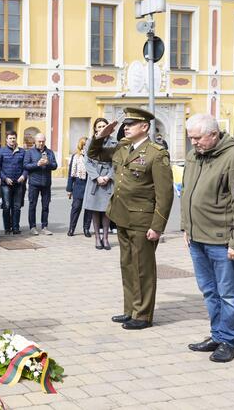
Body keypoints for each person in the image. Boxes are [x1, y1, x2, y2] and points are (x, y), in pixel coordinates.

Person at [88, 107, 173, 330]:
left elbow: (165, 194)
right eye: (125, 124)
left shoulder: (157, 153)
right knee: (127, 265)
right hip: (121, 215)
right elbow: (94, 154)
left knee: (142, 268)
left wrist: (158, 226)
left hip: (143, 221)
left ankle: (143, 315)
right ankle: (131, 309)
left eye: (131, 124)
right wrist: (101, 136)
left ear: (144, 127)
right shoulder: (124, 147)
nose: (126, 127)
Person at [182, 114, 234, 363]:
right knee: (209, 292)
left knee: (229, 294)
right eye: (190, 137)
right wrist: (186, 228)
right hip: (197, 238)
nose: (193, 143)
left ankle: (229, 341)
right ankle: (217, 334)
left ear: (214, 134)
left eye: (197, 137)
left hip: (224, 242)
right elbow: (187, 194)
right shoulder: (195, 156)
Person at [84, 118, 117, 249]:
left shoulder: (115, 142)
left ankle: (106, 238)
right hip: (95, 180)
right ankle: (97, 237)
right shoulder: (90, 142)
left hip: (108, 179)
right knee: (95, 210)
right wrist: (97, 177)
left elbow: (117, 162)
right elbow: (87, 161)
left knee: (107, 210)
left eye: (104, 126)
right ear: (95, 129)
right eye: (99, 126)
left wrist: (108, 176)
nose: (102, 128)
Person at [24, 133, 58, 235]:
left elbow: (55, 165)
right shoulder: (30, 152)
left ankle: (44, 226)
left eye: (43, 141)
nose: (41, 143)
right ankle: (32, 227)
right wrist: (37, 164)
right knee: (32, 205)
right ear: (35, 141)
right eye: (39, 141)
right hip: (34, 183)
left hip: (46, 183)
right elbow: (26, 165)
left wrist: (48, 163)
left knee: (45, 206)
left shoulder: (50, 152)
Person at [0, 130, 27, 235]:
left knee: (17, 206)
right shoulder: (1, 151)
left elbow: (26, 166)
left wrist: (24, 176)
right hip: (6, 184)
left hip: (18, 183)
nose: (12, 140)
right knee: (6, 206)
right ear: (6, 139)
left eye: (14, 138)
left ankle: (15, 228)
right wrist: (4, 178)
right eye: (10, 138)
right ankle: (7, 228)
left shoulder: (22, 152)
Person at [66, 137, 91, 237]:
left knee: (89, 209)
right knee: (76, 207)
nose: (85, 146)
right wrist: (69, 189)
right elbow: (70, 174)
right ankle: (72, 228)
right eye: (84, 144)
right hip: (78, 184)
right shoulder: (75, 157)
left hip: (89, 185)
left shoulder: (92, 157)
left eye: (87, 144)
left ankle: (86, 228)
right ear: (80, 145)